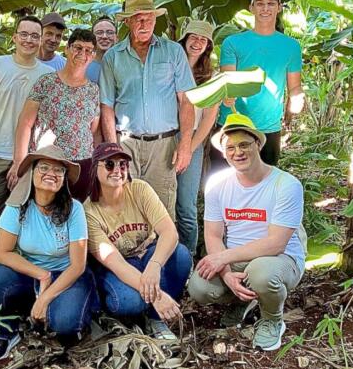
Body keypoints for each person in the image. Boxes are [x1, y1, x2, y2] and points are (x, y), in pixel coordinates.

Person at [188, 113, 306, 352]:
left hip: (280, 259)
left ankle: (272, 320)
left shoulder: (286, 184)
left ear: (258, 144)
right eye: (230, 148)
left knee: (261, 274)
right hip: (237, 259)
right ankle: (243, 300)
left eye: (244, 145)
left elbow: (276, 243)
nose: (238, 152)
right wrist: (227, 274)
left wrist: (222, 258)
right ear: (223, 153)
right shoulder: (217, 184)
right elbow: (213, 235)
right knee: (199, 287)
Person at [0, 145, 95, 361]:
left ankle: (50, 313)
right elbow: (2, 253)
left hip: (66, 275)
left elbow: (78, 265)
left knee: (65, 323)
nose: (51, 173)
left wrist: (45, 298)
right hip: (31, 273)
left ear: (64, 178)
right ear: (32, 172)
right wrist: (42, 275)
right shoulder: (18, 205)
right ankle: (8, 327)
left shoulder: (74, 209)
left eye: (58, 170)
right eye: (44, 167)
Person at [99, 0, 196, 218]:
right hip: (126, 143)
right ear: (127, 21)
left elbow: (186, 100)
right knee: (125, 208)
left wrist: (185, 144)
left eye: (149, 18)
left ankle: (162, 244)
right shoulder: (113, 57)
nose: (144, 24)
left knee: (162, 211)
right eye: (138, 18)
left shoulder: (173, 51)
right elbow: (107, 106)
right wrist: (113, 149)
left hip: (164, 146)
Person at [85, 143, 192, 340]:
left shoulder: (139, 189)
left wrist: (154, 265)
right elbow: (115, 263)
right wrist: (158, 296)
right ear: (95, 169)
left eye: (123, 164)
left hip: (148, 253)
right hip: (120, 265)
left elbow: (169, 232)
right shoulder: (89, 211)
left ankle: (155, 319)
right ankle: (145, 307)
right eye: (109, 164)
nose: (117, 170)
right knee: (129, 301)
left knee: (182, 256)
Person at [215, 0, 305, 166]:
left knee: (266, 180)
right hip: (234, 122)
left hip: (269, 127)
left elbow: (295, 86)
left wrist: (297, 98)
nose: (265, 8)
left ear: (279, 7)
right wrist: (227, 95)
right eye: (260, 3)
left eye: (271, 3)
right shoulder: (232, 43)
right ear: (251, 8)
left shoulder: (291, 46)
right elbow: (228, 81)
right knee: (226, 181)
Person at [0, 16, 52, 215]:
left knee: (23, 216)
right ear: (14, 37)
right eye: (24, 34)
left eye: (35, 36)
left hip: (29, 158)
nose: (29, 40)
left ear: (41, 40)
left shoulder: (48, 75)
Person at [9, 28, 100, 202]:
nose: (83, 53)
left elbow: (93, 130)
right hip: (48, 163)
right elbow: (25, 123)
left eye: (88, 50)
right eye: (78, 48)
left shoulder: (93, 90)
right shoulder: (46, 82)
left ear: (93, 55)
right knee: (43, 210)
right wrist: (19, 162)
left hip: (81, 165)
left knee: (76, 212)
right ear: (67, 49)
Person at [176, 20, 219, 255]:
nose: (197, 43)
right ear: (184, 39)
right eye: (193, 37)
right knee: (161, 201)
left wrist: (189, 149)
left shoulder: (211, 77)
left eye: (203, 40)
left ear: (208, 46)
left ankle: (189, 256)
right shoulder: (169, 66)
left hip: (193, 140)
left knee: (186, 205)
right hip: (164, 137)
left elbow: (208, 119)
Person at [86, 17, 117, 83]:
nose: (104, 36)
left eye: (110, 32)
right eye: (99, 33)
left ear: (117, 38)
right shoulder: (83, 65)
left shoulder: (125, 64)